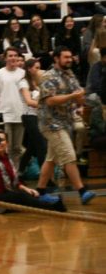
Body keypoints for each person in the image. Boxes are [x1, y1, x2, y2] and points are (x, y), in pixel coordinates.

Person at [35, 46, 96, 204]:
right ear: (56, 58)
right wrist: (72, 96)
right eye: (66, 57)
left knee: (51, 159)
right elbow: (50, 100)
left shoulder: (70, 74)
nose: (70, 60)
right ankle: (82, 191)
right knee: (69, 156)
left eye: (70, 57)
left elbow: (78, 95)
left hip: (65, 122)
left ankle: (40, 192)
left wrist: (81, 102)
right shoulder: (48, 77)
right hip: (51, 124)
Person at [0, 131, 65, 213]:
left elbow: (16, 182)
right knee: (21, 197)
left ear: (7, 143)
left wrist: (28, 189)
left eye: (1, 140)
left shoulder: (7, 159)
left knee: (28, 194)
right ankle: (53, 208)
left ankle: (50, 203)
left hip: (7, 195)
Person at [0, 47, 26, 165]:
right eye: (10, 56)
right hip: (5, 115)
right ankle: (4, 173)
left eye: (15, 55)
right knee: (5, 148)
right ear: (5, 58)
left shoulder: (23, 73)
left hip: (20, 115)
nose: (13, 58)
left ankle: (14, 175)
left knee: (17, 148)